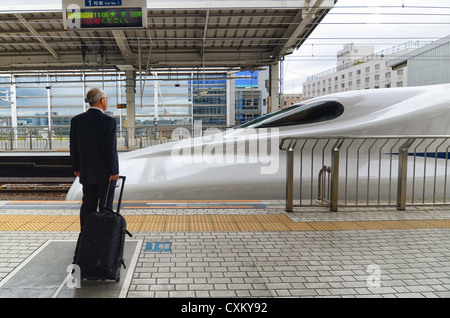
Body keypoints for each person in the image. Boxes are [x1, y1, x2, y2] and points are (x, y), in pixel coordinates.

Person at [70, 88, 119, 230]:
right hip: (106, 174)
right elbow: (110, 149)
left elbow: (74, 146)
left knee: (88, 205)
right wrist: (114, 171)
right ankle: (104, 238)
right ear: (102, 100)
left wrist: (76, 167)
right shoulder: (108, 121)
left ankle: (86, 235)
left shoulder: (77, 120)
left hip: (87, 172)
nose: (107, 101)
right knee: (105, 207)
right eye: (107, 99)